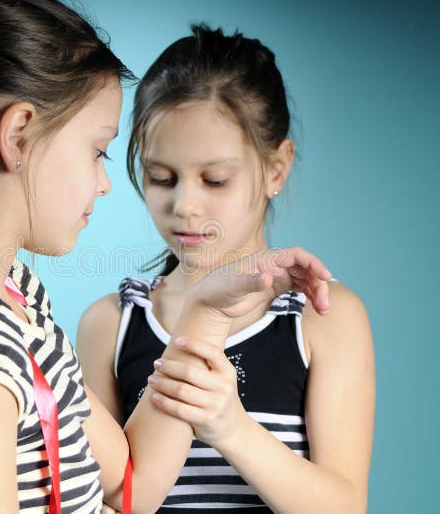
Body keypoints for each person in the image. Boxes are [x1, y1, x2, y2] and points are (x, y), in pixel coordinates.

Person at [0, 0, 334, 512]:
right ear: (18, 136)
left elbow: (130, 485)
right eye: (97, 151)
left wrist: (206, 309)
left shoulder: (13, 302)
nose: (104, 183)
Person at [77, 25, 375, 513]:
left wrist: (230, 426)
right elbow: (100, 500)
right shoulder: (110, 325)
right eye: (161, 178)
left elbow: (344, 506)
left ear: (276, 169)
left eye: (215, 180)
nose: (184, 205)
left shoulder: (324, 317)